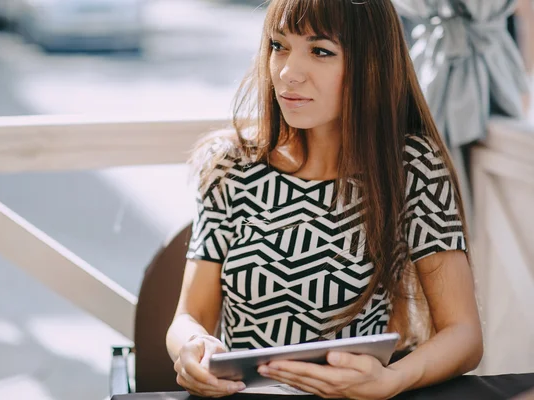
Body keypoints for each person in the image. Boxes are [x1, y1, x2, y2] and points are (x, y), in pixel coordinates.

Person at [165, 1, 483, 398]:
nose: (287, 73)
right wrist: (191, 349)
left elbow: (465, 335)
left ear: (371, 65)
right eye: (279, 46)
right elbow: (189, 318)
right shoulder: (230, 166)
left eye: (320, 51)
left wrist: (391, 381)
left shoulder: (411, 168)